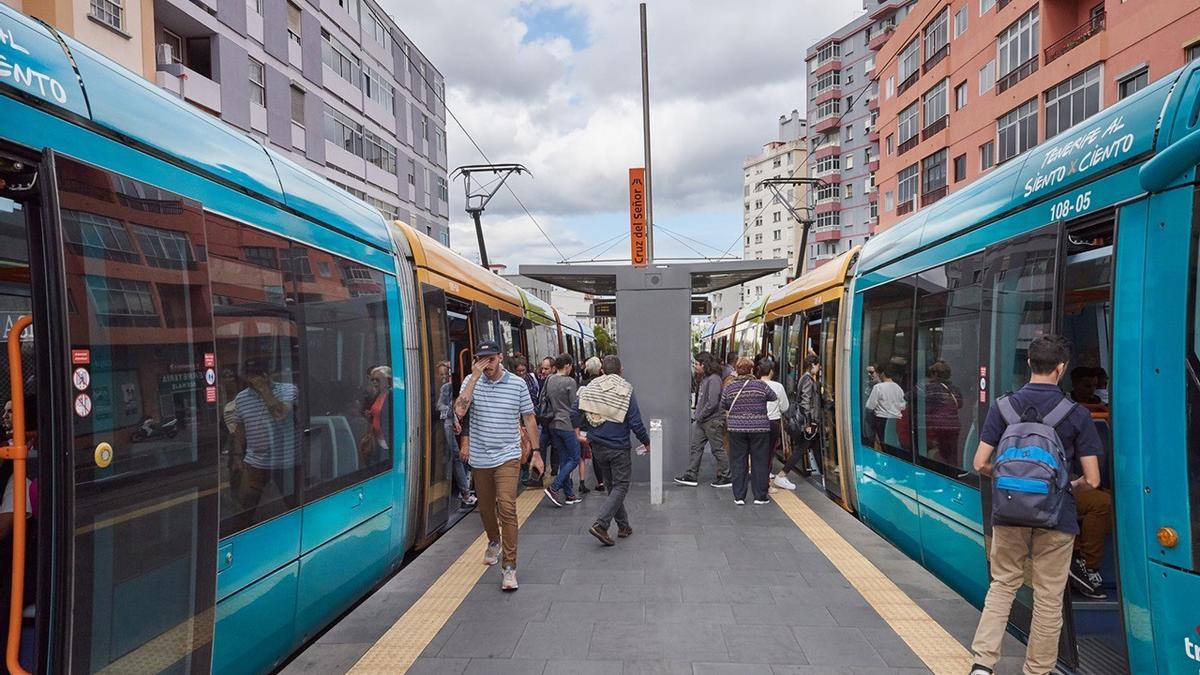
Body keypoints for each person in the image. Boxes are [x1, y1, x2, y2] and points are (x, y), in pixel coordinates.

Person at [967, 335, 1102, 675]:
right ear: (1062, 368)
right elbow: (1093, 480)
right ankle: (1037, 670)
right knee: (1048, 597)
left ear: (1029, 363)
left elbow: (980, 463)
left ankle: (983, 664)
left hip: (1009, 512)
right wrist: (1064, 485)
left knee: (1002, 585)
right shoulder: (1077, 414)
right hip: (1058, 517)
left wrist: (1014, 482)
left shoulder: (1004, 407)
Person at [455, 340, 543, 591]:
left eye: (491, 359)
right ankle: (494, 540)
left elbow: (528, 417)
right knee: (485, 509)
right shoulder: (471, 383)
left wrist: (536, 452)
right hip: (480, 458)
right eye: (481, 360)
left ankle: (509, 567)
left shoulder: (517, 384)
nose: (487, 365)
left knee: (507, 506)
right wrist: (473, 377)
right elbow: (460, 411)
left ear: (500, 357)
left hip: (508, 455)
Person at [580, 355, 651, 546]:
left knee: (612, 486)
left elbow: (575, 410)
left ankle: (623, 526)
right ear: (621, 370)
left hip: (597, 446)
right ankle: (601, 525)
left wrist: (580, 432)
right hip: (618, 446)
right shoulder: (625, 389)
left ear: (602, 370)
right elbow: (635, 421)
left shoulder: (591, 387)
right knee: (621, 486)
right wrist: (646, 442)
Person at [1066, 366, 1113, 600]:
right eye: (1086, 385)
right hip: (1073, 482)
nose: (1091, 390)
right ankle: (1087, 566)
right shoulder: (1069, 412)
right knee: (1102, 503)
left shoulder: (1106, 410)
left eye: (1095, 385)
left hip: (1090, 481)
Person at [230, 357, 299, 513]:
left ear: (268, 375)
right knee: (245, 506)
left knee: (293, 504)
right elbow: (240, 429)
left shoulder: (288, 390)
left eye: (257, 375)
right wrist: (237, 456)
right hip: (255, 462)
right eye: (249, 376)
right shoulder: (241, 398)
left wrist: (264, 390)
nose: (253, 380)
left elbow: (280, 414)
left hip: (286, 461)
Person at [721, 357, 777, 505]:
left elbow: (724, 404)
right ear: (752, 370)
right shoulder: (760, 385)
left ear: (737, 371)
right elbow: (773, 397)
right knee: (760, 461)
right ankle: (760, 496)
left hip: (736, 429)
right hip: (759, 429)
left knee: (738, 461)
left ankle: (739, 497)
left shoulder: (730, 387)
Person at [675, 354, 732, 488]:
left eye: (697, 364)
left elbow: (712, 402)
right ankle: (691, 475)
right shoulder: (706, 378)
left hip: (712, 421)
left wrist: (700, 415)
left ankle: (726, 476)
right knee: (696, 447)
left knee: (717, 449)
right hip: (703, 420)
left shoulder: (714, 379)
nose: (695, 366)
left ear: (704, 365)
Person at [543, 353, 583, 507]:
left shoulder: (549, 379)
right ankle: (554, 487)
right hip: (567, 425)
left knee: (565, 459)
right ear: (567, 365)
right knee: (574, 458)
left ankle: (569, 495)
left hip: (553, 424)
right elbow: (574, 406)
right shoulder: (570, 382)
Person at [437, 362, 474, 509]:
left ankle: (465, 490)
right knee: (457, 457)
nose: (443, 377)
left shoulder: (451, 387)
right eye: (441, 374)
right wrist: (454, 416)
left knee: (457, 458)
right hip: (448, 425)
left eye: (445, 374)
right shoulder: (446, 387)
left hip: (453, 425)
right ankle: (465, 492)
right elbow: (440, 405)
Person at [779, 355, 819, 486]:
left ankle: (821, 473)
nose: (819, 369)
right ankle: (782, 474)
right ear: (813, 365)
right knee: (801, 448)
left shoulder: (804, 377)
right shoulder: (808, 379)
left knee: (814, 445)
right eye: (818, 366)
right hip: (807, 421)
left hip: (807, 420)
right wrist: (809, 423)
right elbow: (805, 401)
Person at [920, 360, 964, 468]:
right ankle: (953, 474)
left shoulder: (929, 388)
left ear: (935, 374)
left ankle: (943, 475)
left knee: (940, 455)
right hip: (954, 426)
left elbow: (909, 397)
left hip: (937, 426)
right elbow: (960, 404)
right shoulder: (955, 389)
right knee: (952, 454)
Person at [758, 358, 790, 489]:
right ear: (771, 371)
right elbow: (785, 407)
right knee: (769, 454)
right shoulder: (778, 387)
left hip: (757, 423)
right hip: (773, 424)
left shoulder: (754, 384)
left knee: (758, 453)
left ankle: (757, 482)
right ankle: (765, 484)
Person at [865, 362, 905, 447]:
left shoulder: (878, 387)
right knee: (892, 445)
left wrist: (870, 424)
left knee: (882, 445)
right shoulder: (899, 388)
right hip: (895, 421)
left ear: (883, 374)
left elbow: (869, 407)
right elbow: (903, 406)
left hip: (881, 420)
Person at [360, 366, 392, 467]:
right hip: (376, 441)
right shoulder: (378, 395)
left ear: (387, 380)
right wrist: (369, 414)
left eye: (377, 380)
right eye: (372, 380)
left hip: (386, 443)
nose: (374, 382)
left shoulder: (391, 396)